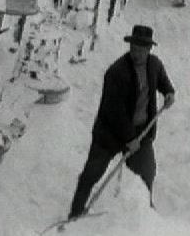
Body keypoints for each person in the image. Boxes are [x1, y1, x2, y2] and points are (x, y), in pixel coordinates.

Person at [68, 25, 175, 219]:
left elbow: (162, 81)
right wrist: (129, 138)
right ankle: (75, 212)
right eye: (134, 49)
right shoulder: (116, 73)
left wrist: (169, 93)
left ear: (149, 50)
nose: (137, 54)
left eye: (141, 50)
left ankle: (144, 211)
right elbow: (114, 112)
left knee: (147, 171)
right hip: (109, 134)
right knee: (92, 173)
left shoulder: (154, 65)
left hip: (140, 132)